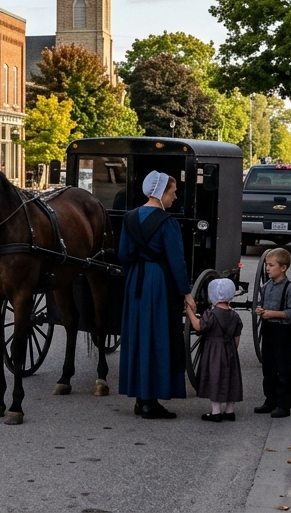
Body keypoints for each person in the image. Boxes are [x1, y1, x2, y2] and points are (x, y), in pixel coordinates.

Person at [118, 170, 196, 419]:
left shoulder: (130, 218)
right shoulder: (167, 222)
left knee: (139, 335)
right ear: (161, 193)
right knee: (158, 335)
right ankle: (151, 400)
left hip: (136, 281)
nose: (175, 197)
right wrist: (186, 292)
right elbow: (176, 260)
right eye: (173, 192)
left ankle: (141, 397)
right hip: (159, 282)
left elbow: (123, 254)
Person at [254, 248, 291, 419]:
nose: (268, 268)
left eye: (271, 265)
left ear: (283, 268)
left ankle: (283, 404)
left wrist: (274, 313)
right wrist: (261, 310)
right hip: (268, 329)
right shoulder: (266, 287)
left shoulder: (289, 288)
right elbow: (262, 303)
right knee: (269, 367)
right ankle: (270, 400)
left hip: (282, 330)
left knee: (282, 368)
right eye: (267, 265)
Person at [189, 278, 242, 422]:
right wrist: (231, 350)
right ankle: (230, 411)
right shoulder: (235, 316)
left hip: (214, 352)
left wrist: (189, 311)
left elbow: (198, 326)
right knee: (231, 379)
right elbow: (237, 337)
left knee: (215, 379)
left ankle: (216, 412)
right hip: (230, 350)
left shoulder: (211, 315)